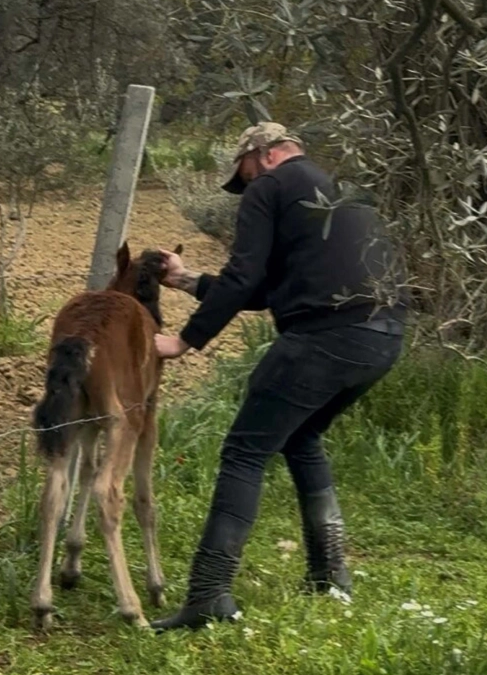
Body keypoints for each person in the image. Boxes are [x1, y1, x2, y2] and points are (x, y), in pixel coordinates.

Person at [150, 122, 406, 631]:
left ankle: (209, 595)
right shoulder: (340, 190)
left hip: (324, 337)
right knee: (301, 437)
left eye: (243, 173)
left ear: (264, 154)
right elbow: (263, 290)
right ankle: (331, 575)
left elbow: (243, 276)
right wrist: (186, 280)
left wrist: (184, 340)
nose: (245, 184)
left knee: (244, 452)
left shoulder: (269, 186)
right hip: (384, 337)